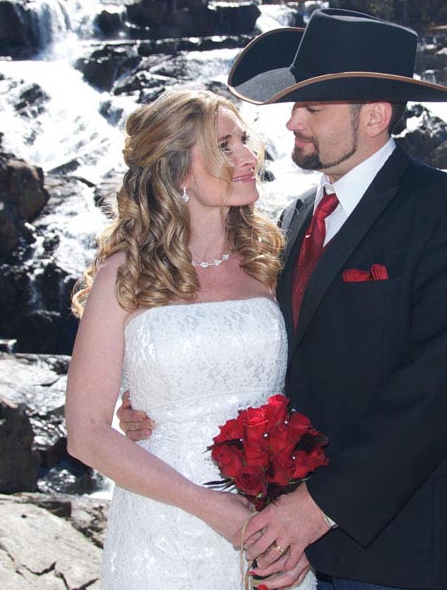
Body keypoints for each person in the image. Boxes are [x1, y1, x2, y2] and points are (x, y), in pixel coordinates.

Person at [120, 9, 447, 590]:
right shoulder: (294, 217)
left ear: (374, 116)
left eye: (313, 108)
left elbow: (441, 386)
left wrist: (317, 506)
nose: (291, 121)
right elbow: (272, 356)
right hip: (284, 548)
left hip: (399, 551)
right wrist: (160, 390)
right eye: (295, 104)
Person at [65, 89, 316, 590]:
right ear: (177, 169)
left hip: (273, 526)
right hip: (162, 526)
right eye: (224, 146)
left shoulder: (273, 263)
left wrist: (301, 510)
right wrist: (210, 506)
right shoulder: (126, 274)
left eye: (245, 140)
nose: (248, 156)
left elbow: (315, 383)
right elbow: (85, 433)